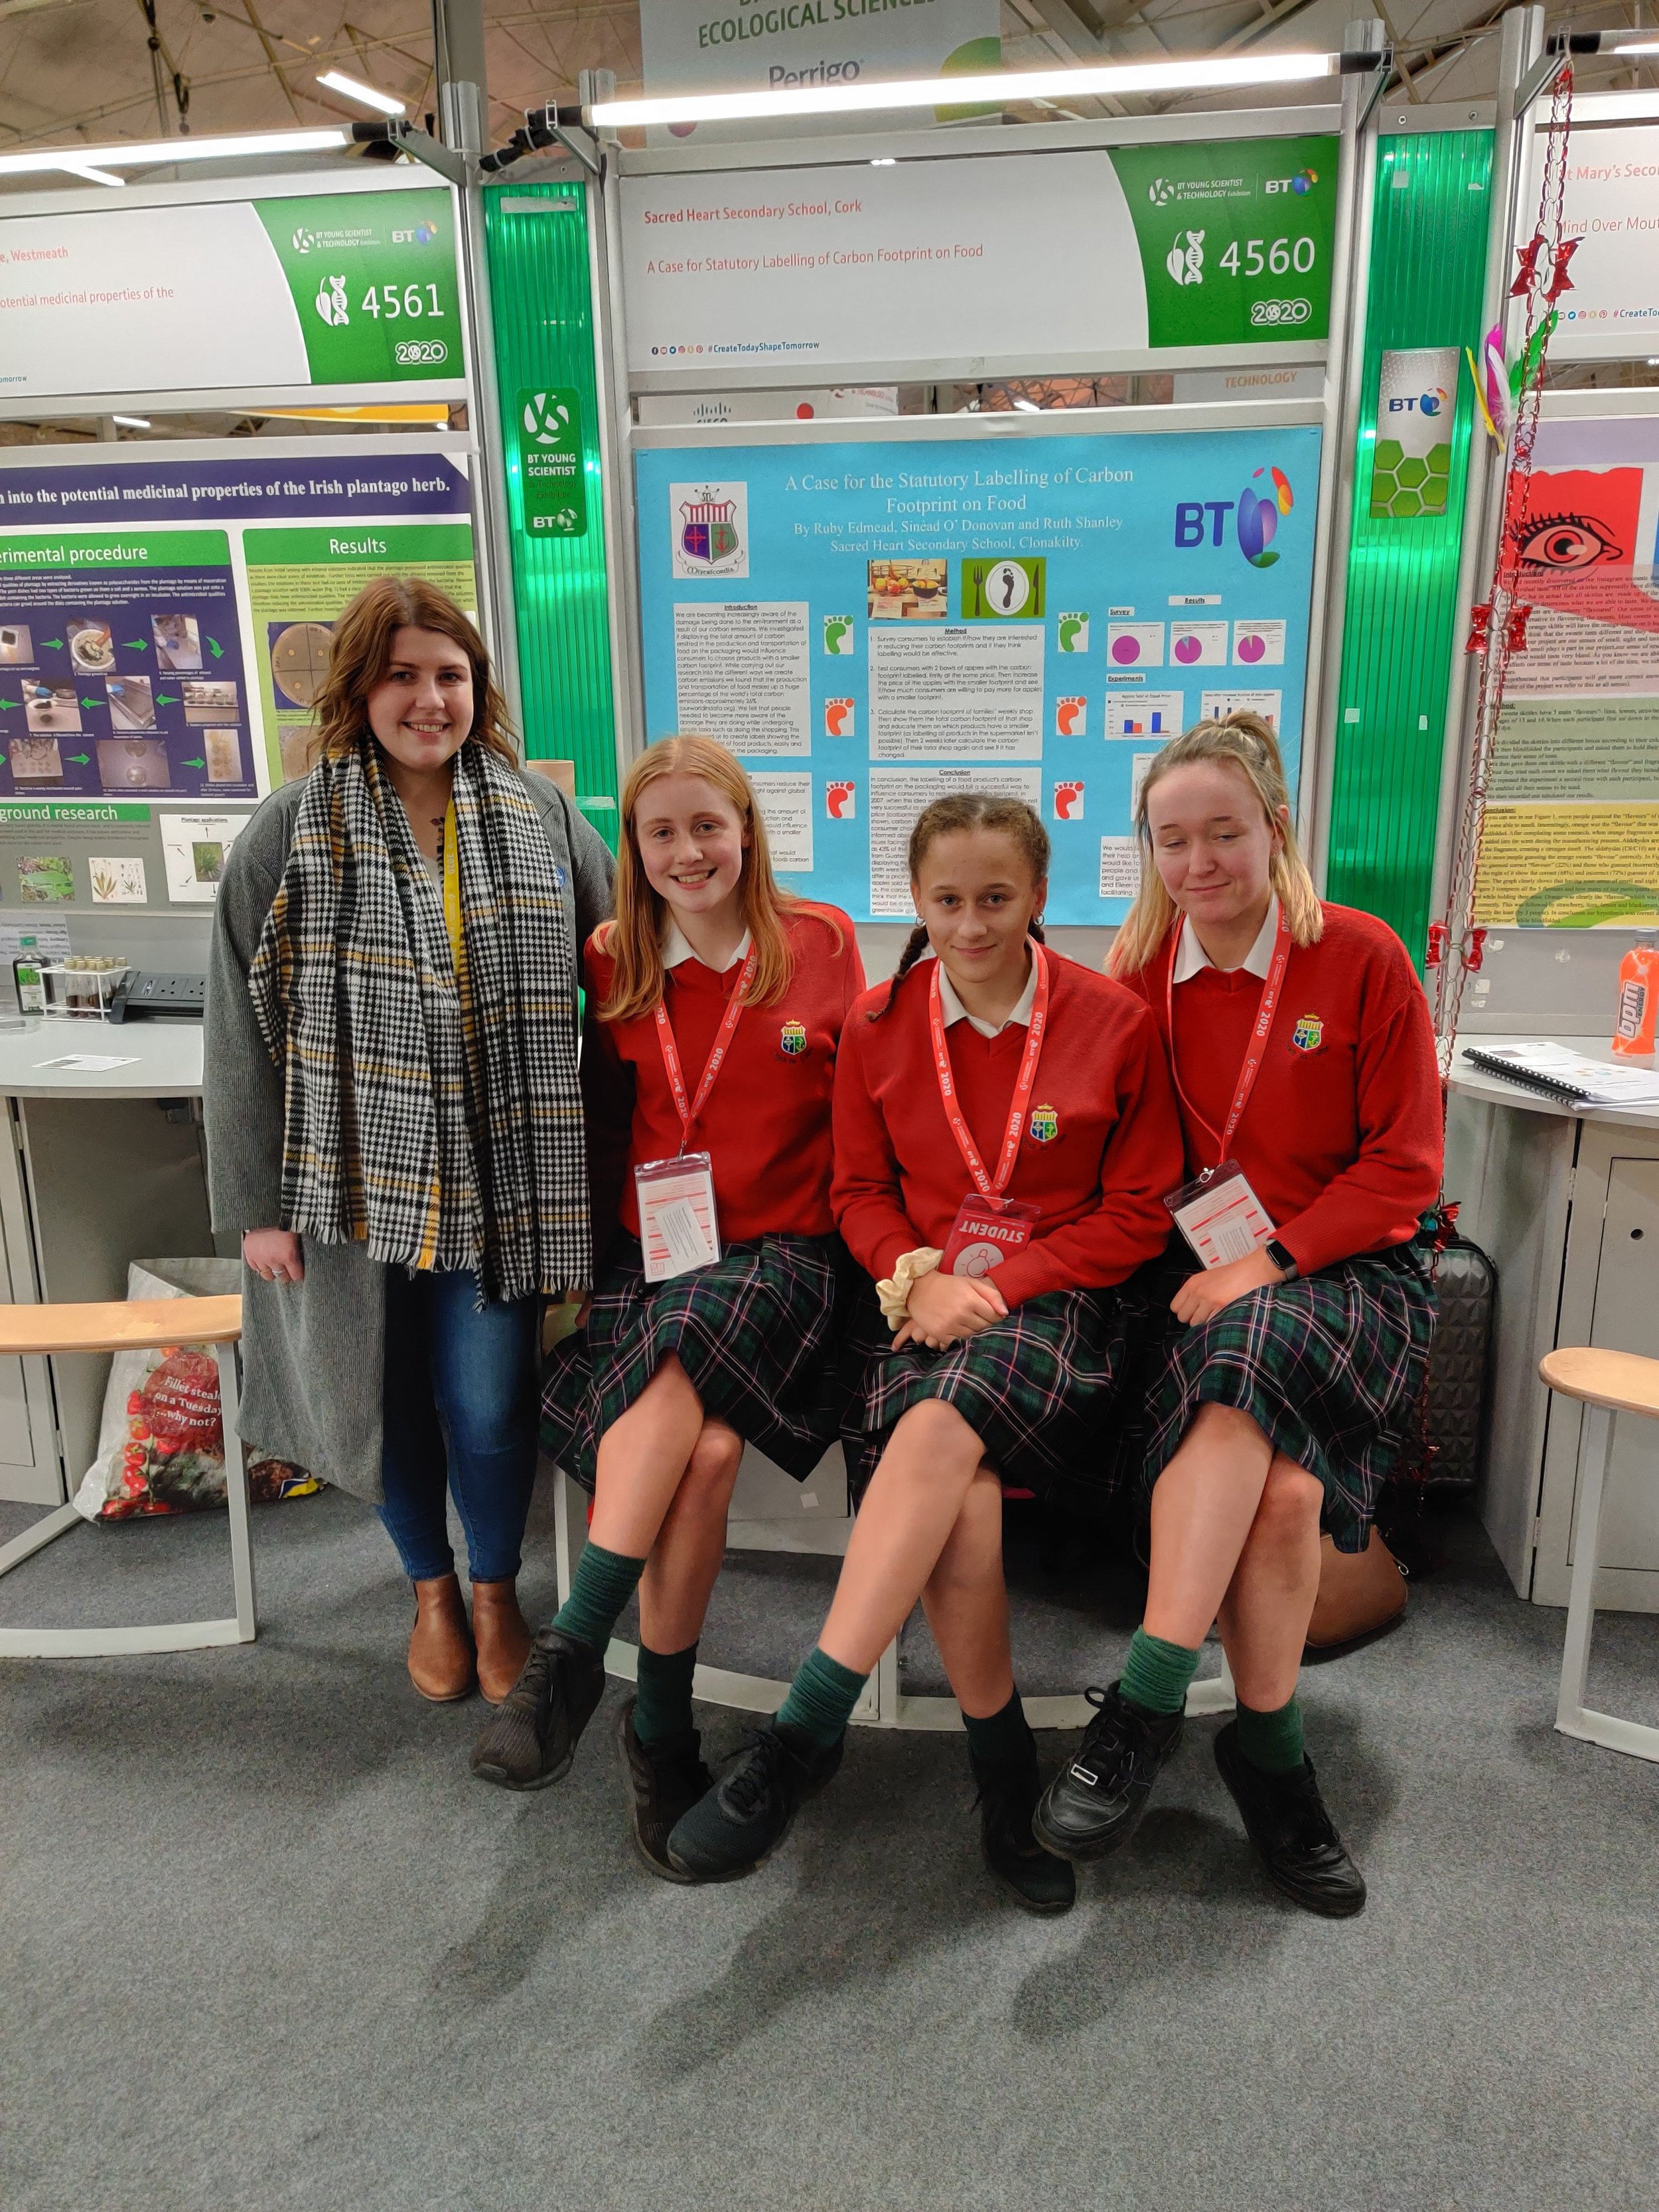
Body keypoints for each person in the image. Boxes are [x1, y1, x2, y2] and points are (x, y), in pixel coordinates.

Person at [664, 794, 1184, 1909]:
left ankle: (804, 1731)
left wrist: (993, 1283)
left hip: (1058, 1309)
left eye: (997, 898)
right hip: (913, 1308)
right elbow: (855, 1190)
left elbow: (1139, 1214)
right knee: (968, 1503)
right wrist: (919, 1276)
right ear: (917, 900)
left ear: (1039, 897)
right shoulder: (878, 1024)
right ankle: (1003, 1775)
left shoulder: (1112, 1020)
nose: (972, 924)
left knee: (943, 1423)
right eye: (947, 900)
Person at [1033, 713, 1441, 1916]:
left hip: (1350, 1278)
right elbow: (1102, 1159)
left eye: (1224, 833)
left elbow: (1406, 1170)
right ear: (1148, 850)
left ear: (1276, 831)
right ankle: (1273, 1760)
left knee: (1253, 1339)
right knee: (1289, 1495)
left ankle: (1147, 1700)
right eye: (1172, 839)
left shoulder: (1360, 959)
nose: (1199, 862)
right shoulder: (1133, 983)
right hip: (1198, 1294)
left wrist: (1270, 1257)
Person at [205, 577, 614, 1704]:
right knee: (372, 1396)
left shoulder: (538, 815)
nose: (430, 698)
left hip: (502, 1176)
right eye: (403, 675)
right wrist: (256, 1207)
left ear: (477, 686)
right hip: (342, 1186)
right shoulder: (288, 828)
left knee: (487, 1403)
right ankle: (427, 1586)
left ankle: (495, 1590)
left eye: (450, 674)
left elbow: (626, 963)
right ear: (358, 689)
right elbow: (237, 1025)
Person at [469, 735, 865, 1878]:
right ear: (634, 850)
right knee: (703, 1452)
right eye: (661, 832)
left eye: (708, 825)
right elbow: (582, 1128)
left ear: (747, 829)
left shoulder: (825, 943)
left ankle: (574, 1649)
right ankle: (659, 1730)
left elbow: (869, 1120)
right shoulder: (610, 958)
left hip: (788, 1262)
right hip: (658, 1263)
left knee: (690, 1350)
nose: (688, 851)